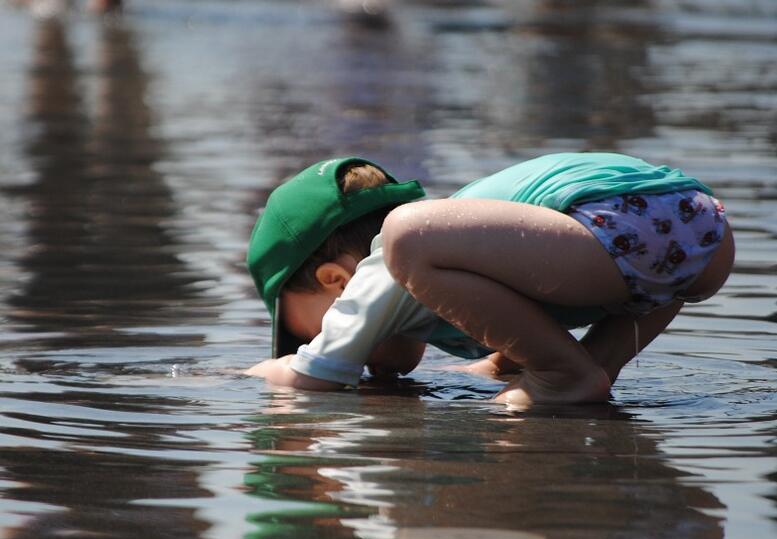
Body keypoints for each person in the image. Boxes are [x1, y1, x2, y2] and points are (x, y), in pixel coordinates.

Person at [245, 154, 734, 407]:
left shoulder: (388, 262)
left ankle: (567, 375)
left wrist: (240, 375)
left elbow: (311, 379)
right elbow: (524, 308)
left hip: (620, 224)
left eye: (306, 335)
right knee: (557, 358)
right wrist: (500, 365)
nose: (312, 344)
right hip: (703, 235)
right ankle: (586, 369)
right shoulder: (464, 267)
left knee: (406, 236)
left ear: (335, 280)